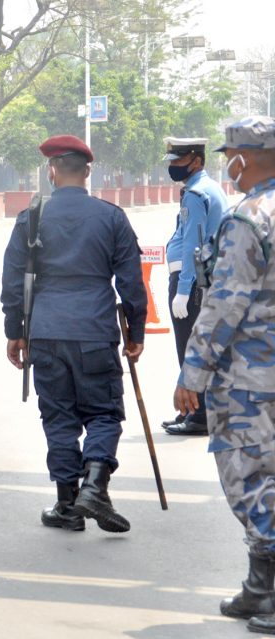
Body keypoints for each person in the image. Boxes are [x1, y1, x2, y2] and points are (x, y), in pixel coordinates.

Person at [1, 134, 147, 535]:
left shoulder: (32, 216)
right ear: (88, 171)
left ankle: (68, 505)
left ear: (52, 170)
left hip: (46, 332)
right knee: (103, 412)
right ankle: (95, 486)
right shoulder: (111, 217)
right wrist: (137, 332)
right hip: (96, 331)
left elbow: (13, 280)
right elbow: (131, 284)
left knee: (59, 416)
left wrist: (15, 331)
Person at [173, 116, 275, 633]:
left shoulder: (249, 218)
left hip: (249, 379)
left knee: (249, 479)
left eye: (229, 154)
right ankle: (260, 588)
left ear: (246, 157)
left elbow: (224, 304)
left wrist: (192, 374)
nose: (226, 164)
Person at [158, 137, 228, 436]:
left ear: (196, 161)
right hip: (203, 279)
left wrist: (184, 289)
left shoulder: (196, 194)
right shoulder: (209, 188)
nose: (173, 167)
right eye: (171, 162)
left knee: (189, 348)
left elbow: (192, 245)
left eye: (178, 160)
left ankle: (198, 416)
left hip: (193, 281)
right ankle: (195, 411)